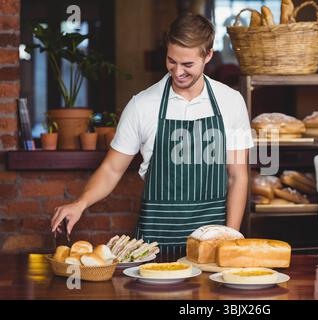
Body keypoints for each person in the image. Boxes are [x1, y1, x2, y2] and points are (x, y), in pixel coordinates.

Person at [50, 13, 254, 261]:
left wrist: (229, 239)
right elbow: (112, 169)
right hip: (153, 251)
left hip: (212, 250)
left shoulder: (231, 102)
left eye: (187, 65)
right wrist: (80, 203)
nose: (177, 72)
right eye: (171, 61)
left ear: (208, 55)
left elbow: (237, 176)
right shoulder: (142, 105)